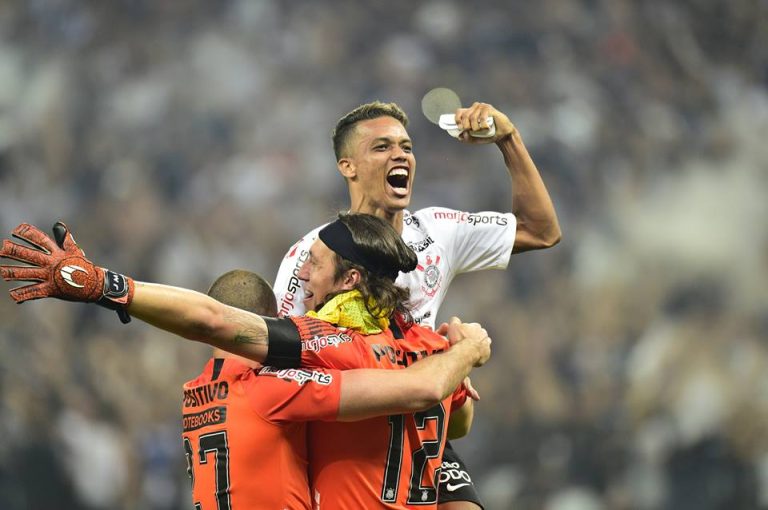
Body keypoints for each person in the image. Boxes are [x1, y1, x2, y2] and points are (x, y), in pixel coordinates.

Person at [0, 213, 490, 508]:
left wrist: (110, 288)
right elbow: (451, 416)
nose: (301, 273)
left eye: (314, 262)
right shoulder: (432, 348)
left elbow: (213, 320)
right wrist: (465, 351)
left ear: (350, 280)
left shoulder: (320, 350)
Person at [273, 100, 561, 508]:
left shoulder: (436, 231)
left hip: (420, 424)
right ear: (348, 166)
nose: (400, 155)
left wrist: (508, 139)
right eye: (382, 147)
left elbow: (541, 230)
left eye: (406, 147)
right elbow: (281, 367)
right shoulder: (314, 254)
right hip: (350, 436)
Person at [183, 269, 490, 509]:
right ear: (270, 323)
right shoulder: (274, 386)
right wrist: (458, 356)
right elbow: (416, 390)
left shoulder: (192, 396)